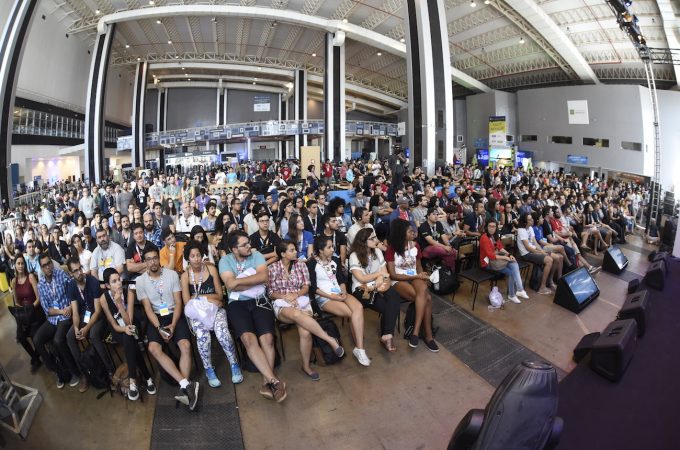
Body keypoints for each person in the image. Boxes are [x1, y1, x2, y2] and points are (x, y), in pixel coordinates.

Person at [219, 231, 287, 402]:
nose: (249, 246)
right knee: (249, 340)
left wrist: (239, 282)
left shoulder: (256, 255)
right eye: (244, 244)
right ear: (234, 249)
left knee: (268, 339)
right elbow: (229, 284)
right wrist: (252, 280)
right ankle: (274, 381)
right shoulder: (225, 261)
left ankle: (267, 382)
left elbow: (264, 277)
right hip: (237, 304)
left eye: (248, 242)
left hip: (260, 301)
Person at [267, 240, 344, 381]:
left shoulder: (301, 265)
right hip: (283, 304)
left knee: (306, 332)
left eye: (295, 249)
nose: (296, 252)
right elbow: (271, 292)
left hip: (301, 300)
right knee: (296, 314)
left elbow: (306, 286)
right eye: (292, 250)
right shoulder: (272, 268)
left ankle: (306, 366)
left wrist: (295, 295)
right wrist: (287, 297)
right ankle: (329, 339)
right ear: (283, 254)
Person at [137, 245, 200, 410]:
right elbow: (148, 308)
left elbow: (179, 302)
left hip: (174, 313)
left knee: (185, 345)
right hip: (156, 318)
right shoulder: (140, 281)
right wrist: (159, 328)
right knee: (153, 348)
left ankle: (184, 388)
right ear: (145, 262)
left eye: (155, 258)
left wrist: (173, 324)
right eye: (149, 259)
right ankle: (186, 384)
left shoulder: (172, 275)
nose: (152, 262)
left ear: (159, 258)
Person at [180, 241, 242, 388]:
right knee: (203, 337)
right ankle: (209, 369)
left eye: (198, 255)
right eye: (192, 256)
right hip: (197, 313)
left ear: (202, 255)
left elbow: (220, 296)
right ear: (188, 257)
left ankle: (234, 364)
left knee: (222, 333)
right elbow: (187, 302)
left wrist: (199, 297)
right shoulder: (184, 276)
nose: (196, 259)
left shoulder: (211, 269)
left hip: (216, 309)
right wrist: (209, 298)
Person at [309, 235, 370, 366]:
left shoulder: (335, 260)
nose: (332, 249)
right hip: (325, 297)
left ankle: (359, 349)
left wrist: (343, 291)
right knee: (351, 313)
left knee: (358, 307)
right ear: (320, 250)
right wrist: (332, 297)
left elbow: (341, 280)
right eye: (329, 247)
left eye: (332, 246)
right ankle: (359, 345)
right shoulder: (312, 263)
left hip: (339, 292)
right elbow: (313, 288)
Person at [100, 268, 156, 401]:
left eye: (119, 279)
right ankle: (147, 377)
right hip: (118, 329)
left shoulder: (129, 290)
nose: (118, 283)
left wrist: (119, 303)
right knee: (128, 338)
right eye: (114, 281)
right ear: (107, 285)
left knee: (129, 336)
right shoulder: (103, 298)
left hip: (132, 324)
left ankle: (132, 380)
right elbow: (113, 324)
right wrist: (123, 329)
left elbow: (129, 321)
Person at [385, 219, 438, 352]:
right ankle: (428, 336)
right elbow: (393, 275)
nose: (413, 233)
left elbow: (419, 267)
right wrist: (416, 276)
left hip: (414, 276)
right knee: (427, 299)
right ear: (401, 234)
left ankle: (415, 333)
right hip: (399, 280)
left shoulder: (416, 246)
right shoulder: (391, 249)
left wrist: (423, 277)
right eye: (410, 231)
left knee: (424, 291)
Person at [349, 228, 402, 353]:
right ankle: (387, 336)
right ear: (363, 241)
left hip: (380, 284)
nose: (376, 240)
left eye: (375, 237)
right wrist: (378, 275)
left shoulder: (377, 251)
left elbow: (385, 273)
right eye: (372, 238)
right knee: (387, 307)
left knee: (394, 295)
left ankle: (386, 335)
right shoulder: (354, 256)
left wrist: (380, 278)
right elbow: (361, 278)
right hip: (362, 289)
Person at [33, 253, 81, 389]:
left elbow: (73, 291)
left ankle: (74, 372)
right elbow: (47, 309)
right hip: (55, 317)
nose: (48, 267)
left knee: (58, 340)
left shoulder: (61, 274)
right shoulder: (40, 285)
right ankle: (57, 371)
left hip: (66, 316)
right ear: (41, 268)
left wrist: (70, 306)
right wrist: (60, 311)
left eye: (49, 263)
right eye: (44, 265)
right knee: (37, 340)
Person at [65, 257, 108, 393]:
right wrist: (77, 327)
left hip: (99, 317)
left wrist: (86, 328)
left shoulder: (93, 281)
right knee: (70, 336)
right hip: (84, 317)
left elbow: (98, 310)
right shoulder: (71, 285)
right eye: (75, 271)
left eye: (80, 269)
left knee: (94, 335)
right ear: (71, 274)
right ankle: (85, 372)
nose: (79, 273)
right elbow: (76, 312)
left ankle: (110, 371)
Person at [479, 220, 529, 304]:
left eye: (493, 226)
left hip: (495, 260)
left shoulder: (494, 236)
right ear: (486, 227)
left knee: (514, 263)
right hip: (486, 263)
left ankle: (518, 291)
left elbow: (500, 247)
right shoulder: (484, 238)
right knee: (511, 271)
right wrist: (505, 258)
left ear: (496, 228)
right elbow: (490, 255)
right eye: (490, 226)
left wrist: (509, 255)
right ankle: (514, 293)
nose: (491, 228)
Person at [10, 254, 44, 374]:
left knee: (35, 337)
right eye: (18, 263)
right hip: (24, 314)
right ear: (15, 265)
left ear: (25, 264)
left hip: (34, 311)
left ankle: (35, 358)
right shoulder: (14, 281)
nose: (20, 266)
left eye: (22, 263)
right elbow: (16, 302)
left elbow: (38, 298)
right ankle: (35, 358)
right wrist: (23, 311)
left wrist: (30, 309)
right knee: (20, 336)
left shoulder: (30, 277)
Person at [517, 213, 555, 295]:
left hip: (532, 251)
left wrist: (542, 251)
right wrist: (541, 253)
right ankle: (542, 287)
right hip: (526, 254)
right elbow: (528, 247)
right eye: (530, 219)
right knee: (549, 260)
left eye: (532, 219)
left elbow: (535, 243)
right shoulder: (521, 230)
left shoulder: (530, 228)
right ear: (525, 222)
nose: (532, 220)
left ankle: (549, 281)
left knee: (554, 257)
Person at [418, 207, 457, 272]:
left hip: (439, 246)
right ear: (428, 216)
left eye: (437, 214)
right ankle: (450, 273)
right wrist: (445, 247)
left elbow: (444, 236)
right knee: (446, 251)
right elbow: (431, 241)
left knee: (449, 255)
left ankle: (450, 274)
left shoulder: (438, 224)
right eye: (434, 214)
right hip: (427, 248)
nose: (436, 216)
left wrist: (448, 245)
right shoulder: (423, 226)